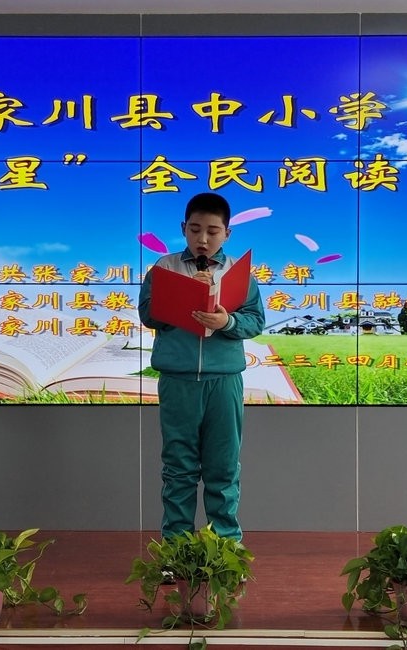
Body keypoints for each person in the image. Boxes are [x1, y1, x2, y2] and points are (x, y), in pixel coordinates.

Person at [138, 192, 265, 545]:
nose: (203, 239)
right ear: (184, 228)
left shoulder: (239, 273)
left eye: (212, 231)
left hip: (224, 380)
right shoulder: (164, 268)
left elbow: (255, 321)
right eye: (195, 230)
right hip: (177, 380)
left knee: (223, 467)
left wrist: (227, 321)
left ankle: (225, 548)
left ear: (227, 233)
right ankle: (176, 548)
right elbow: (148, 315)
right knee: (178, 468)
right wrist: (183, 298)